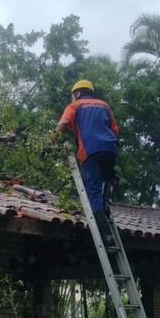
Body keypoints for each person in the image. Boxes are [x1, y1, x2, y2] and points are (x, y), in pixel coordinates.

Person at [53, 79, 120, 246]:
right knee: (107, 178)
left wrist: (51, 141)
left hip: (90, 151)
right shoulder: (104, 105)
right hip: (111, 148)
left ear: (76, 93)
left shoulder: (75, 106)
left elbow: (64, 123)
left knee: (93, 192)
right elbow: (115, 130)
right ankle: (109, 192)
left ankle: (106, 235)